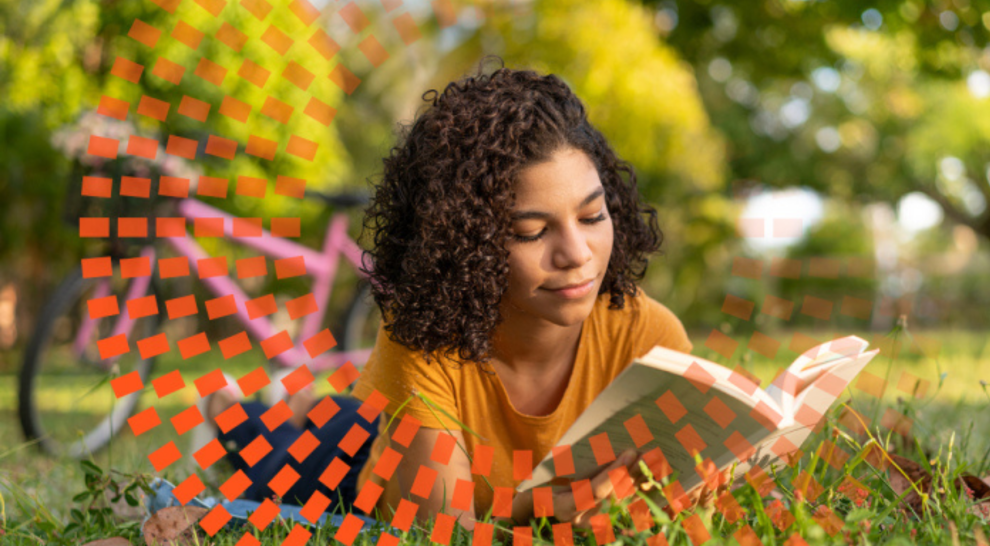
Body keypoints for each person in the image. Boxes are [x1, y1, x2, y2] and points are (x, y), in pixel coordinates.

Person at [201, 57, 706, 536]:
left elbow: (696, 477)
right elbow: (442, 532)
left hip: (397, 420)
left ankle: (295, 408)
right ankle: (239, 419)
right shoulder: (422, 336)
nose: (577, 254)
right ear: (467, 244)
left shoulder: (647, 334)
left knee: (342, 413)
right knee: (273, 460)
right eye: (532, 232)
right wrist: (541, 508)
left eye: (593, 216)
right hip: (347, 473)